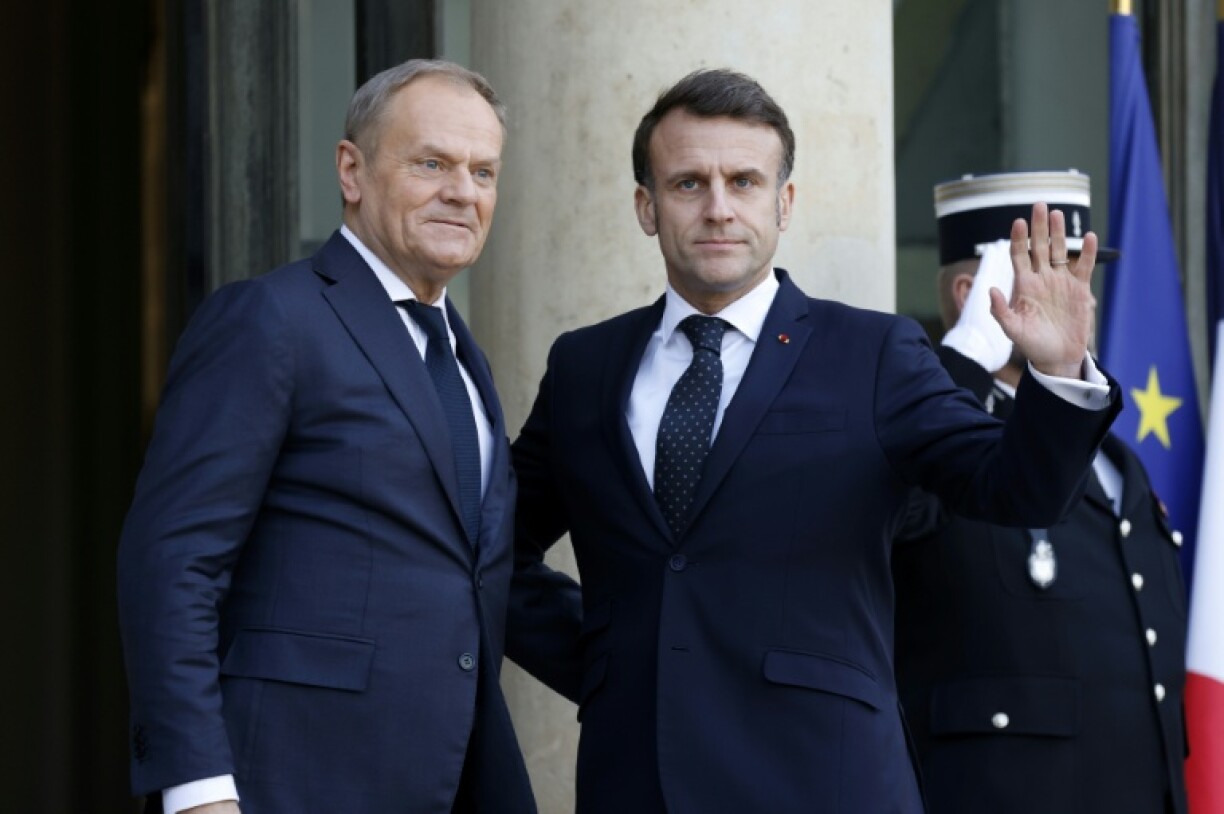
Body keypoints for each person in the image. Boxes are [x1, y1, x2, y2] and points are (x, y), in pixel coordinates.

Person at [508, 69, 1121, 813]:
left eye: (744, 181)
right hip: (638, 780)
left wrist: (1057, 373)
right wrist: (615, 663)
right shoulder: (586, 366)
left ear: (784, 201)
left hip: (824, 782)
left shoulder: (873, 352)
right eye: (688, 184)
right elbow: (495, 553)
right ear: (646, 206)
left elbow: (1016, 490)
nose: (719, 208)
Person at [117, 59, 562, 814]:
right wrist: (197, 788)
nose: (463, 191)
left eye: (483, 172)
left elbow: (477, 576)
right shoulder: (271, 320)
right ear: (351, 171)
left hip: (454, 779)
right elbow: (174, 560)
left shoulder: (461, 355)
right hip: (294, 779)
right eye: (432, 163)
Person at [892, 170, 1188, 813]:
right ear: (975, 293)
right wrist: (964, 354)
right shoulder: (928, 439)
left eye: (1079, 271)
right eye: (1048, 269)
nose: (1077, 293)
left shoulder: (1111, 452)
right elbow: (892, 510)